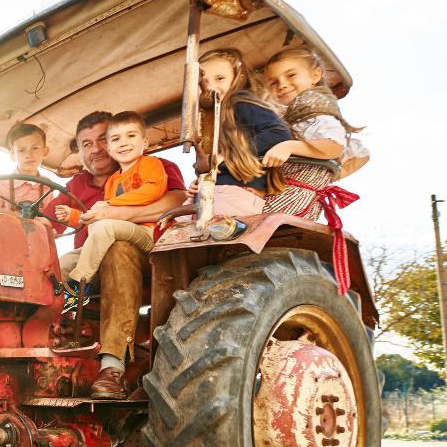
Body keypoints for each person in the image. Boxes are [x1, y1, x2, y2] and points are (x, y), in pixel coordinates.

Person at [42, 112, 187, 399]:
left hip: (146, 259)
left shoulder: (155, 166)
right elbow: (49, 222)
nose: (96, 148)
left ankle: (113, 367)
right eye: (86, 143)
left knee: (117, 249)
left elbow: (176, 201)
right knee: (49, 265)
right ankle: (43, 336)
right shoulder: (78, 184)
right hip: (90, 260)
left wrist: (113, 212)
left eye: (101, 139)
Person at [53, 111, 166, 285]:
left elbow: (153, 190)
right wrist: (75, 216)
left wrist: (110, 204)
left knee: (106, 230)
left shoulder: (151, 164)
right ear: (111, 149)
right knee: (62, 263)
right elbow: (100, 216)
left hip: (148, 235)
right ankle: (57, 303)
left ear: (144, 142)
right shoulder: (112, 181)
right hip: (111, 238)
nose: (123, 143)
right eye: (115, 139)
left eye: (130, 136)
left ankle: (79, 285)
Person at [189, 47, 292, 216]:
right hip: (215, 190)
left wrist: (228, 155)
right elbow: (209, 163)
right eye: (205, 82)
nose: (212, 87)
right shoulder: (211, 118)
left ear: (237, 78)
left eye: (220, 79)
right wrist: (200, 177)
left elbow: (279, 132)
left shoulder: (240, 102)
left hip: (236, 191)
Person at [262, 45, 369, 177]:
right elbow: (361, 154)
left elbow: (335, 146)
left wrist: (289, 147)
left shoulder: (315, 113)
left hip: (297, 186)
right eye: (273, 83)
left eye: (291, 75)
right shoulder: (289, 116)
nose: (282, 84)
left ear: (315, 76)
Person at [0, 122, 51, 212]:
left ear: (45, 151)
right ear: (12, 155)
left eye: (35, 148)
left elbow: (52, 219)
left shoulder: (47, 186)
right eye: (21, 150)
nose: (28, 155)